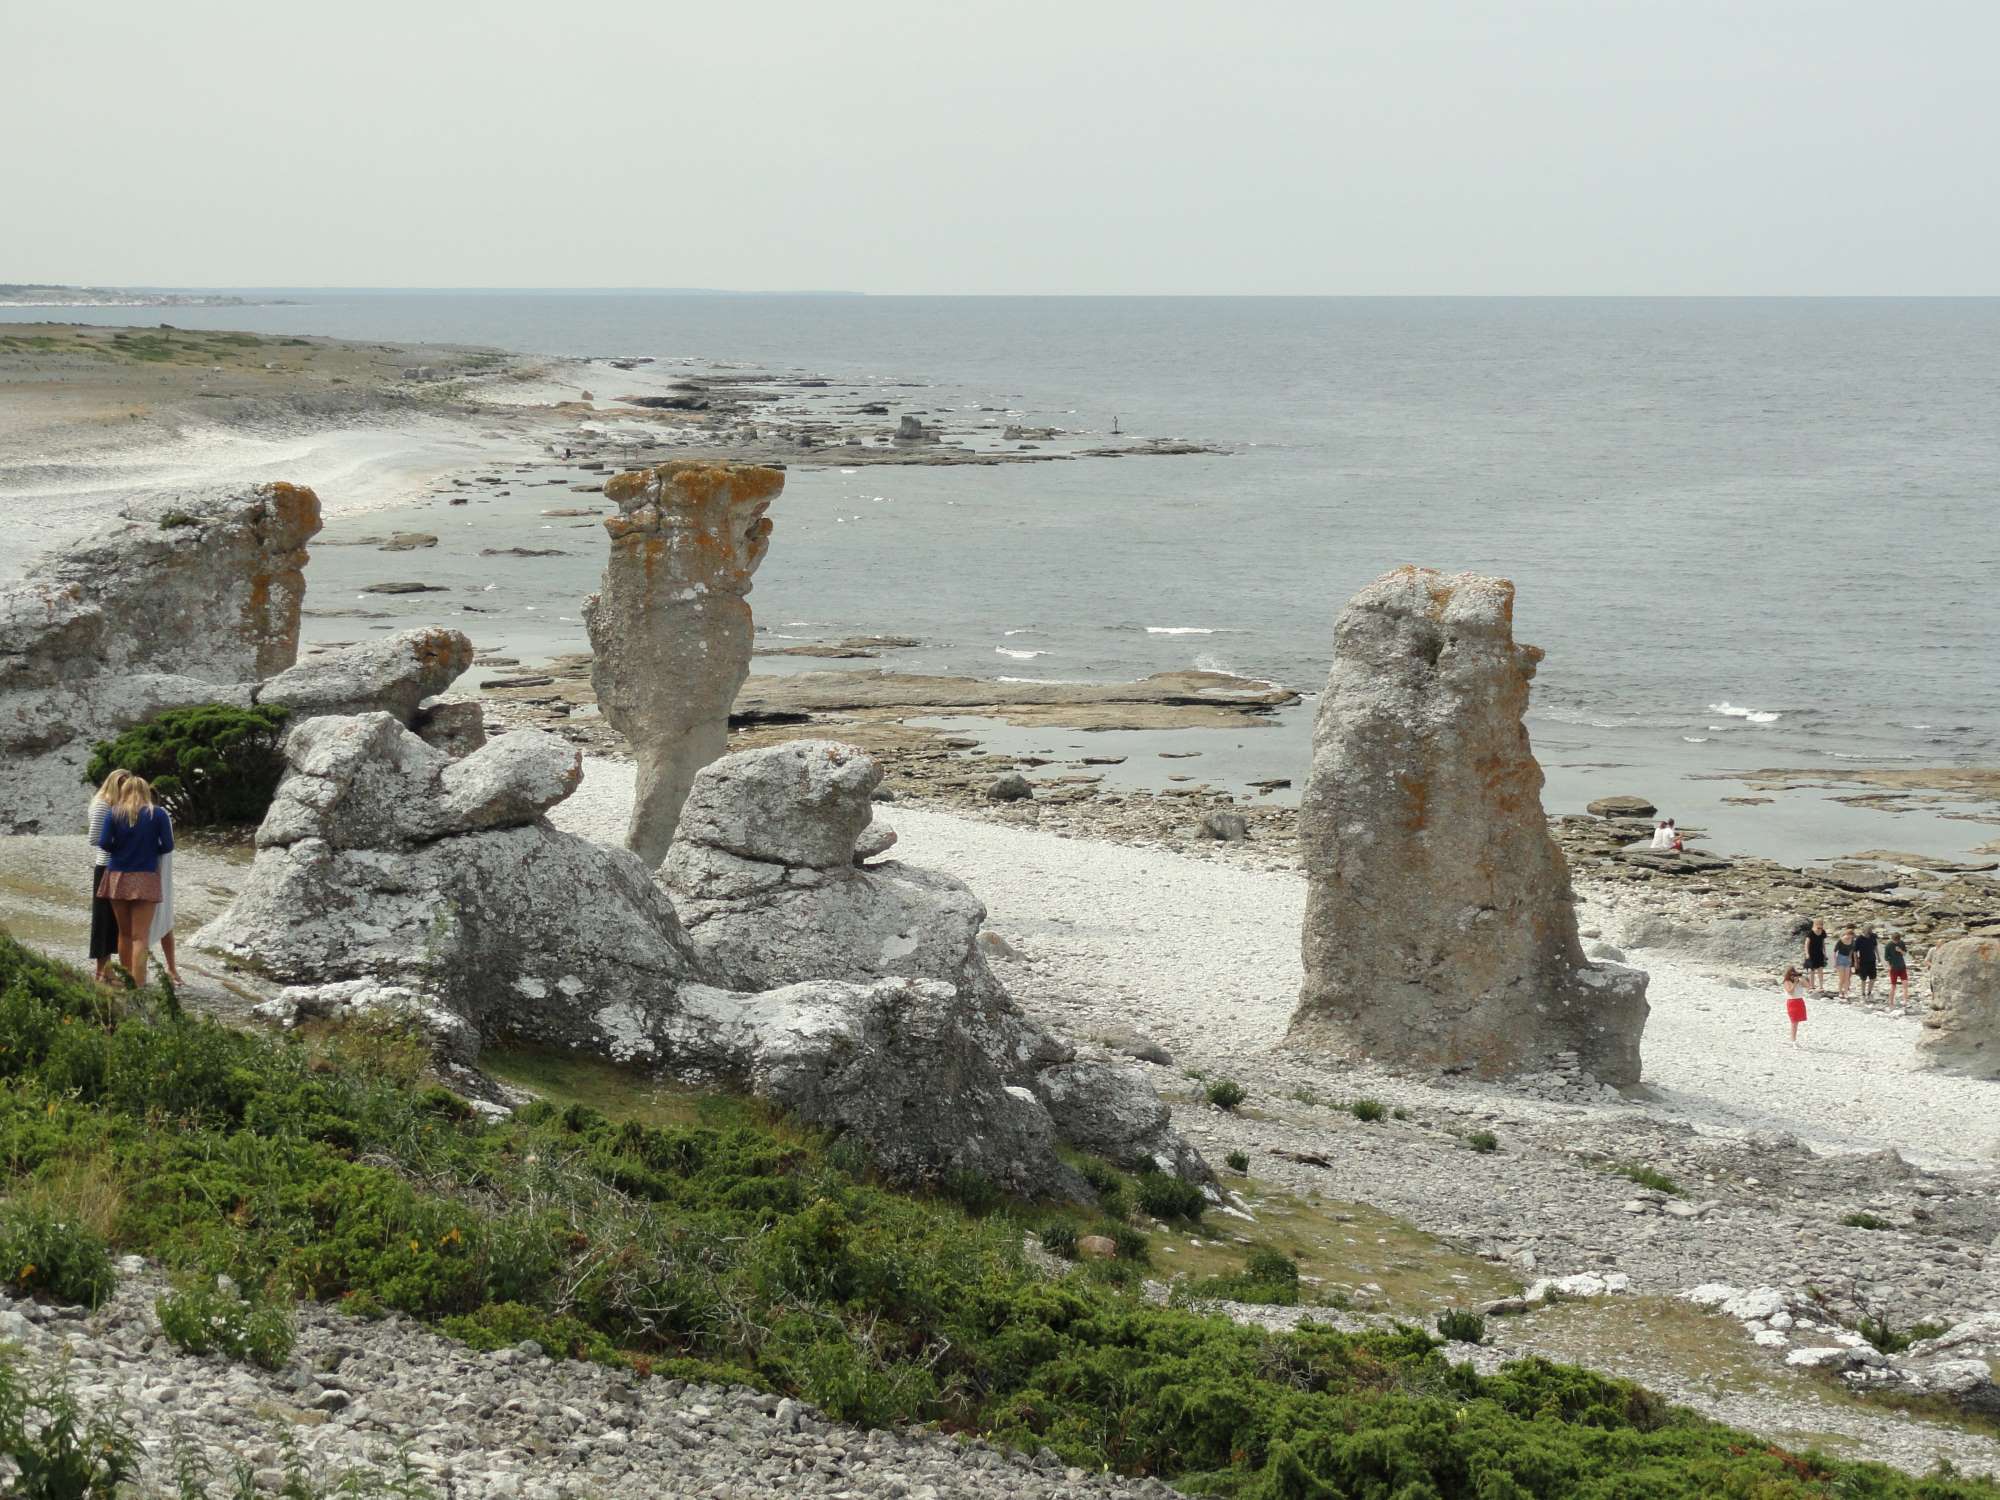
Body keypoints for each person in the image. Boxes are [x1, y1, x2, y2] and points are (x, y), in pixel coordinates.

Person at [95, 775, 173, 987]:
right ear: (146, 791)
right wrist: (149, 850)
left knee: (124, 933)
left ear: (125, 791)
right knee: (140, 936)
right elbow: (167, 845)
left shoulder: (114, 813)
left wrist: (120, 850)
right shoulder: (157, 814)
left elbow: (103, 842)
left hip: (117, 875)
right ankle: (138, 985)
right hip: (145, 877)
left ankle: (126, 976)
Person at [86, 769, 132, 983]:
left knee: (114, 921)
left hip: (117, 866)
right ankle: (102, 969)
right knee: (103, 918)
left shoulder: (113, 804)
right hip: (106, 866)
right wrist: (122, 845)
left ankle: (108, 969)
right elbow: (94, 837)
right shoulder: (103, 805)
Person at [1782, 966, 1808, 1046]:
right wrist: (1795, 983)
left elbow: (1807, 985)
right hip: (1792, 1002)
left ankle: (1792, 1039)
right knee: (1794, 1022)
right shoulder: (1787, 982)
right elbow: (1790, 992)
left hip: (1800, 1001)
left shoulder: (1799, 981)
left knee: (1796, 1022)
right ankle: (1793, 1040)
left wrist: (1802, 977)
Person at [1853, 926, 1880, 1000]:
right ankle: (1863, 993)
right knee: (1863, 978)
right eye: (1869, 930)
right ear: (1864, 930)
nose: (1870, 931)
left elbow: (1875, 947)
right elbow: (1855, 951)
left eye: (1870, 930)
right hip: (1863, 961)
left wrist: (1878, 957)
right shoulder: (1859, 939)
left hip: (1872, 960)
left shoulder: (1873, 937)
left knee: (1873, 977)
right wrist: (1855, 962)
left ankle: (1869, 992)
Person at [1884, 933, 1909, 1009]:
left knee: (1905, 984)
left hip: (1902, 966)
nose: (1896, 942)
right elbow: (1886, 958)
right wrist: (1889, 966)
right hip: (1893, 968)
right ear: (1892, 939)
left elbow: (1904, 953)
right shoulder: (1888, 945)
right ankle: (1891, 1003)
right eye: (1894, 941)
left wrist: (1900, 950)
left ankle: (1905, 1002)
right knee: (1893, 986)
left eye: (1897, 941)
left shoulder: (1901, 943)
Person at [1803, 920, 1828, 992]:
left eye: (1821, 925)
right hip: (1811, 953)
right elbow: (1806, 944)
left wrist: (1825, 953)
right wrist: (1807, 954)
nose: (1820, 926)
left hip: (1819, 953)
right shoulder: (1810, 933)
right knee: (1812, 970)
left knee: (1820, 969)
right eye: (1819, 925)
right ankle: (1812, 986)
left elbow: (1823, 943)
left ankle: (1821, 986)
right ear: (1816, 924)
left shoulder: (1823, 932)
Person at [1833, 926, 1855, 997]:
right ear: (1846, 934)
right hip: (1840, 958)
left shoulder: (1852, 941)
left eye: (1851, 937)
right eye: (1849, 936)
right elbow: (1835, 951)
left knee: (1847, 977)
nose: (1850, 938)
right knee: (1841, 978)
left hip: (1847, 959)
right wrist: (1835, 961)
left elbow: (1852, 949)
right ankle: (1840, 992)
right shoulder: (1841, 941)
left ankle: (1845, 992)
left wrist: (1850, 957)